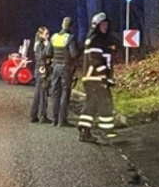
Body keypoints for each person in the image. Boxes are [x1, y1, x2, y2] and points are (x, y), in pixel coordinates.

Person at [77, 12, 117, 143]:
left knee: (92, 104)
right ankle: (107, 133)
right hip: (95, 79)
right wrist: (104, 76)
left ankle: (85, 130)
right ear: (97, 25)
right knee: (104, 104)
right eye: (103, 24)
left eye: (106, 24)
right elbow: (95, 60)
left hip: (94, 78)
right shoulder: (96, 40)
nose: (105, 27)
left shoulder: (97, 39)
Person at [46, 16, 79, 127]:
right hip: (66, 68)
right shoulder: (70, 38)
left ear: (62, 25)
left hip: (55, 67)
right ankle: (62, 120)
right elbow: (74, 53)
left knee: (55, 92)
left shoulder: (54, 37)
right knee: (65, 92)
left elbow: (48, 52)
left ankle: (54, 119)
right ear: (71, 26)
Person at [29, 26, 52, 123]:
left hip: (40, 70)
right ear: (41, 34)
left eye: (48, 34)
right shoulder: (40, 44)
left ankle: (34, 115)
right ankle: (42, 115)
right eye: (46, 34)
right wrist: (47, 45)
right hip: (42, 70)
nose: (48, 36)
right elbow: (43, 55)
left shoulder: (38, 43)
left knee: (38, 93)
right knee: (43, 94)